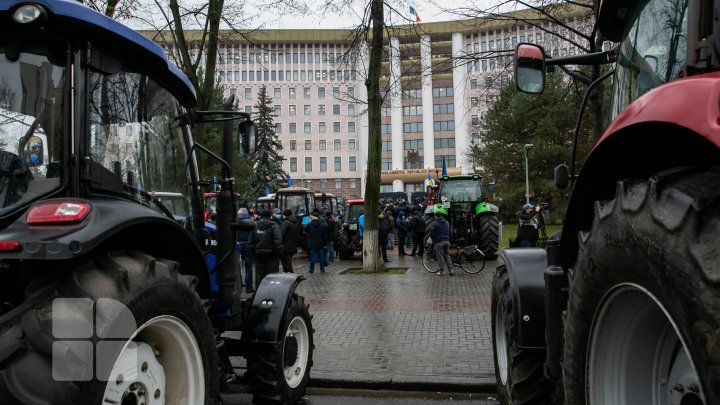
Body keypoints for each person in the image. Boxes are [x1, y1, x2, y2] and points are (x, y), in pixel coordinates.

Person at [249, 209, 283, 288]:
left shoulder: (255, 226)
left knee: (259, 276)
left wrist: (253, 253)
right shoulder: (274, 226)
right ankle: (271, 294)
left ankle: (260, 294)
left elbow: (250, 241)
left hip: (259, 255)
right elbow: (278, 241)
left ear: (261, 216)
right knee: (272, 276)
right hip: (272, 255)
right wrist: (279, 254)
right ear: (270, 216)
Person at [234, 207, 256, 293]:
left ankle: (238, 286)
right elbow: (254, 235)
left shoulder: (235, 221)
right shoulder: (252, 221)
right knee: (249, 267)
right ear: (247, 213)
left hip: (237, 245)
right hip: (248, 246)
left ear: (238, 213)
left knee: (237, 266)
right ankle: (249, 287)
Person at [428, 207, 453, 275]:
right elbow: (449, 232)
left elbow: (432, 233)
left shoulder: (434, 223)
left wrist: (432, 239)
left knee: (440, 257)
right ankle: (451, 270)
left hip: (439, 242)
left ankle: (441, 271)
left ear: (436, 216)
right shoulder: (447, 222)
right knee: (447, 256)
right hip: (447, 242)